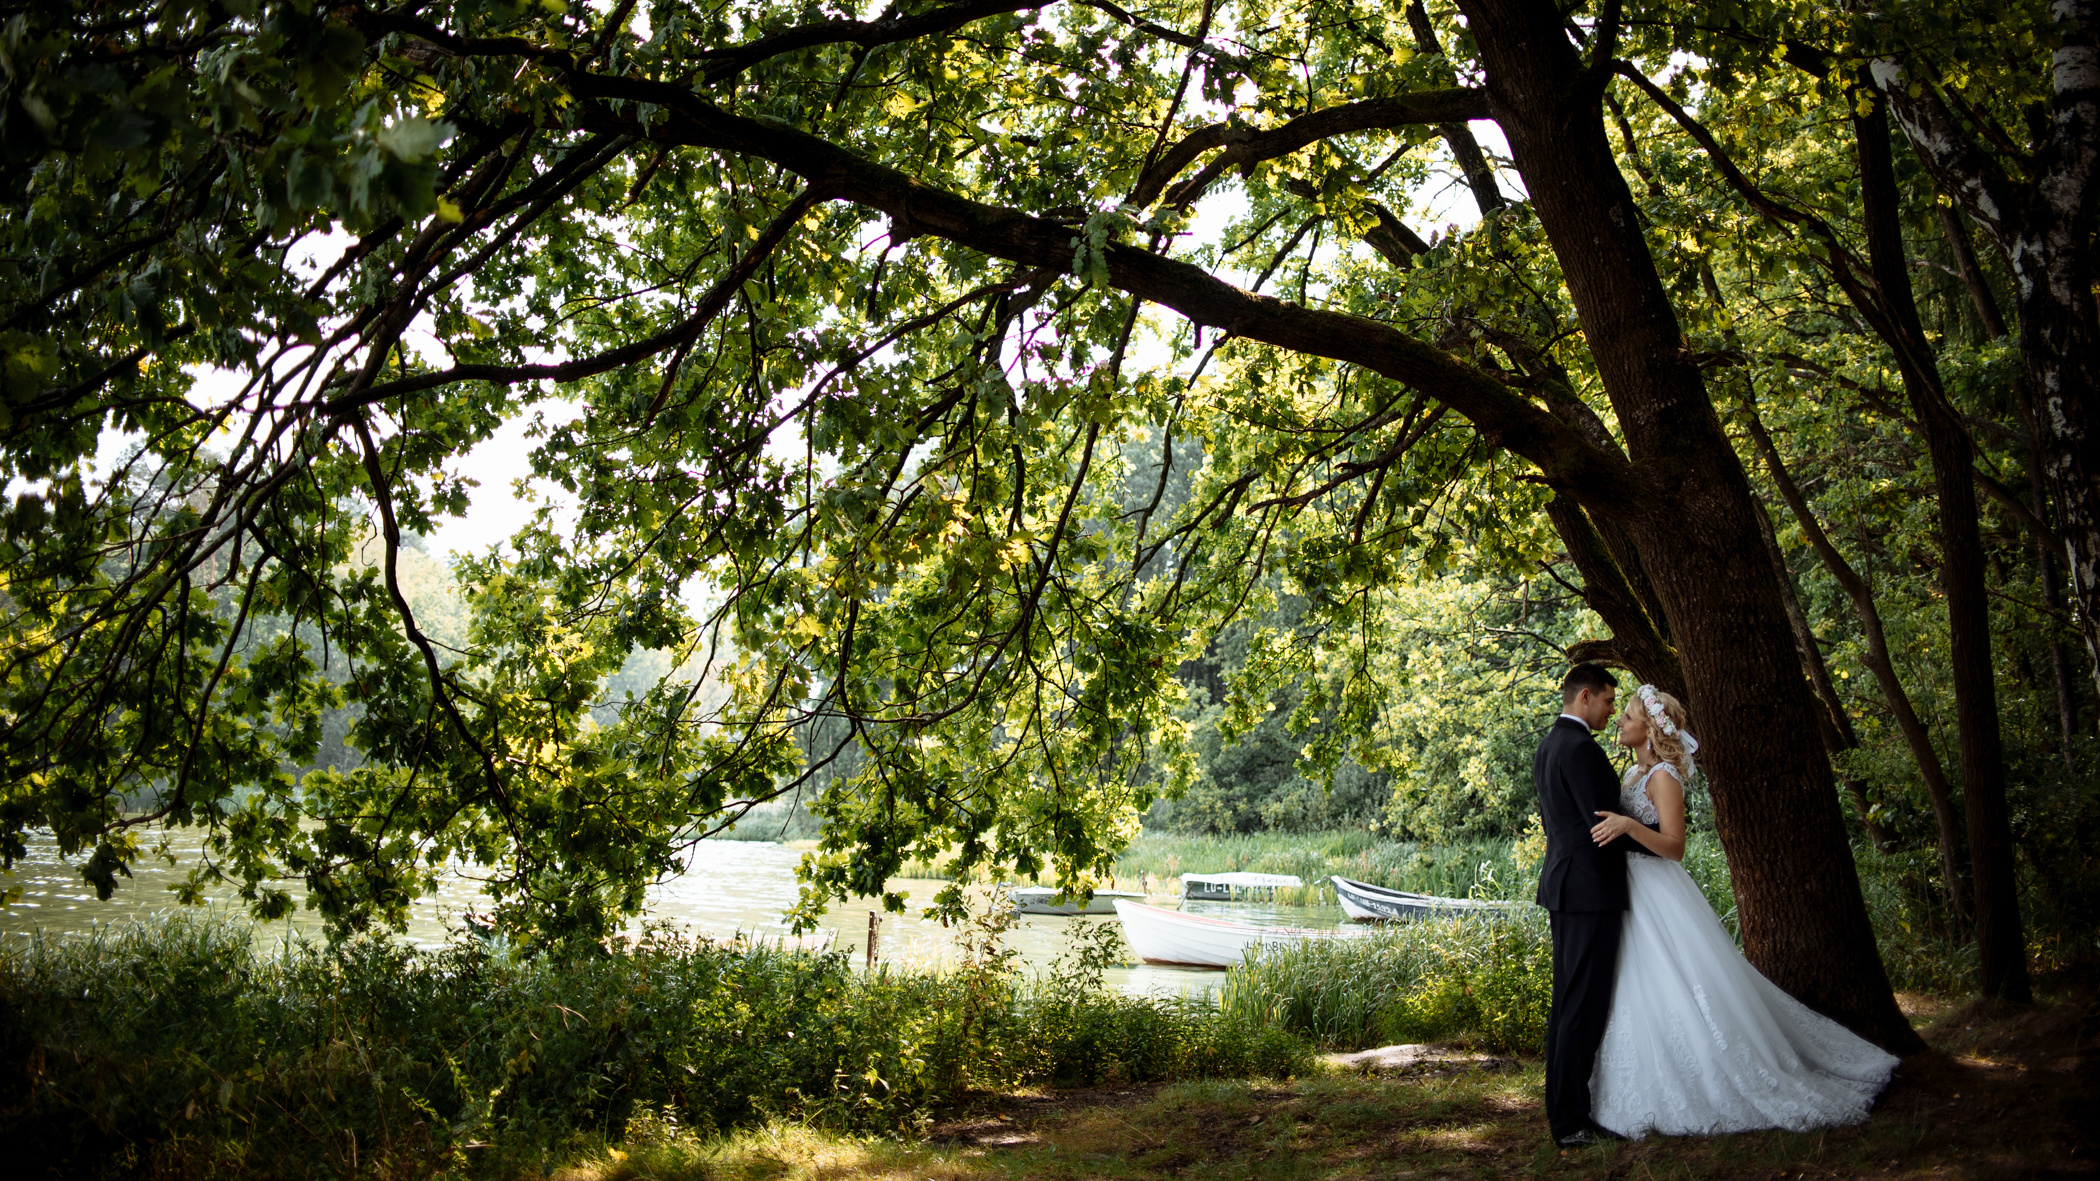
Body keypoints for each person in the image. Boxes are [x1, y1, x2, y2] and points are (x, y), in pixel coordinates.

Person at [1585, 684, 1900, 1138]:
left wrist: (1630, 826)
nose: (1620, 721)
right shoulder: (1635, 775)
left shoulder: (1663, 778)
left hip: (1657, 888)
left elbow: (1674, 848)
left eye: (1628, 715)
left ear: (1649, 728)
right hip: (1630, 889)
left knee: (1677, 982)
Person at [1531, 661, 1639, 1147]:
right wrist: (1655, 840)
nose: (1611, 711)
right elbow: (1605, 831)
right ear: (1585, 698)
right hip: (1589, 890)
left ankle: (1565, 1113)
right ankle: (1571, 1122)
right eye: (1609, 701)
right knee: (1582, 1006)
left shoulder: (1550, 745)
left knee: (1569, 1003)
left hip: (1567, 887)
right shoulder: (1582, 751)